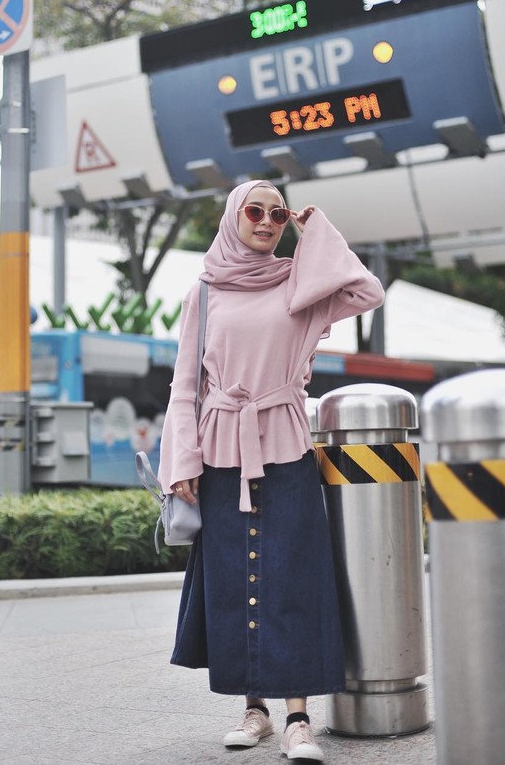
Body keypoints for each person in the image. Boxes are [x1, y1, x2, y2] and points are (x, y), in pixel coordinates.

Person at [158, 179, 385, 761]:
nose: (265, 221)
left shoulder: (299, 283)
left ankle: (299, 720)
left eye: (277, 214)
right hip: (218, 455)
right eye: (255, 210)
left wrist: (317, 233)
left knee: (291, 578)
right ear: (234, 215)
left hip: (284, 446)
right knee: (237, 581)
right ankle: (254, 711)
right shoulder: (202, 294)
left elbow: (367, 291)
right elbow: (185, 387)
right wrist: (180, 464)